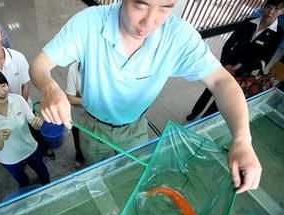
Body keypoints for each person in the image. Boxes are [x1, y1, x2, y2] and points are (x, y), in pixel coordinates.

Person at [29, 0, 262, 193]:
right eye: (140, 5)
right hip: (93, 126)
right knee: (95, 172)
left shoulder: (177, 36)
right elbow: (39, 65)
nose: (149, 23)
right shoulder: (89, 23)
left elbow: (222, 82)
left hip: (135, 127)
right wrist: (50, 88)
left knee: (132, 176)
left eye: (165, 7)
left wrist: (242, 140)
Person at [0, 13, 56, 159]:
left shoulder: (17, 57)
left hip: (24, 106)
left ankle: (44, 148)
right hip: (1, 113)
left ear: (0, 34)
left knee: (34, 130)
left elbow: (25, 86)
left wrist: (20, 107)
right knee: (13, 138)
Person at [186, 0, 284, 120]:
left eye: (277, 9)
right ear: (264, 7)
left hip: (243, 72)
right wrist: (226, 64)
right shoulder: (248, 22)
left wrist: (240, 66)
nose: (271, 11)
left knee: (222, 98)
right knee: (209, 90)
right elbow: (228, 44)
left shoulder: (278, 34)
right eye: (269, 7)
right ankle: (194, 113)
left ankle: (202, 121)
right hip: (227, 64)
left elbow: (264, 60)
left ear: (282, 11)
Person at [0, 67, 50, 187]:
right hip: (10, 159)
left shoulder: (18, 100)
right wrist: (0, 138)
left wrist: (38, 123)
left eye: (3, 85)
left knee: (43, 174)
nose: (2, 91)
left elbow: (34, 125)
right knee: (22, 181)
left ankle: (46, 184)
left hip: (30, 148)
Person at [65, 62, 86, 168]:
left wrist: (80, 99)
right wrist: (92, 102)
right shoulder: (74, 68)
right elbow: (71, 99)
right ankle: (80, 157)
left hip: (99, 120)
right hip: (78, 118)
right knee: (78, 141)